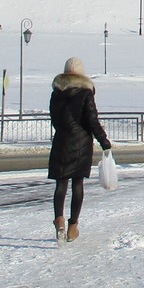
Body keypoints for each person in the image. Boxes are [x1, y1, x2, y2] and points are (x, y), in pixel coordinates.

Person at [47, 57, 112, 245]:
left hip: (61, 141)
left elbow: (55, 120)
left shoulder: (56, 94)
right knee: (77, 185)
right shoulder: (85, 93)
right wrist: (103, 141)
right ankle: (73, 226)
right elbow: (92, 120)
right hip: (81, 143)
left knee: (60, 185)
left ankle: (58, 219)